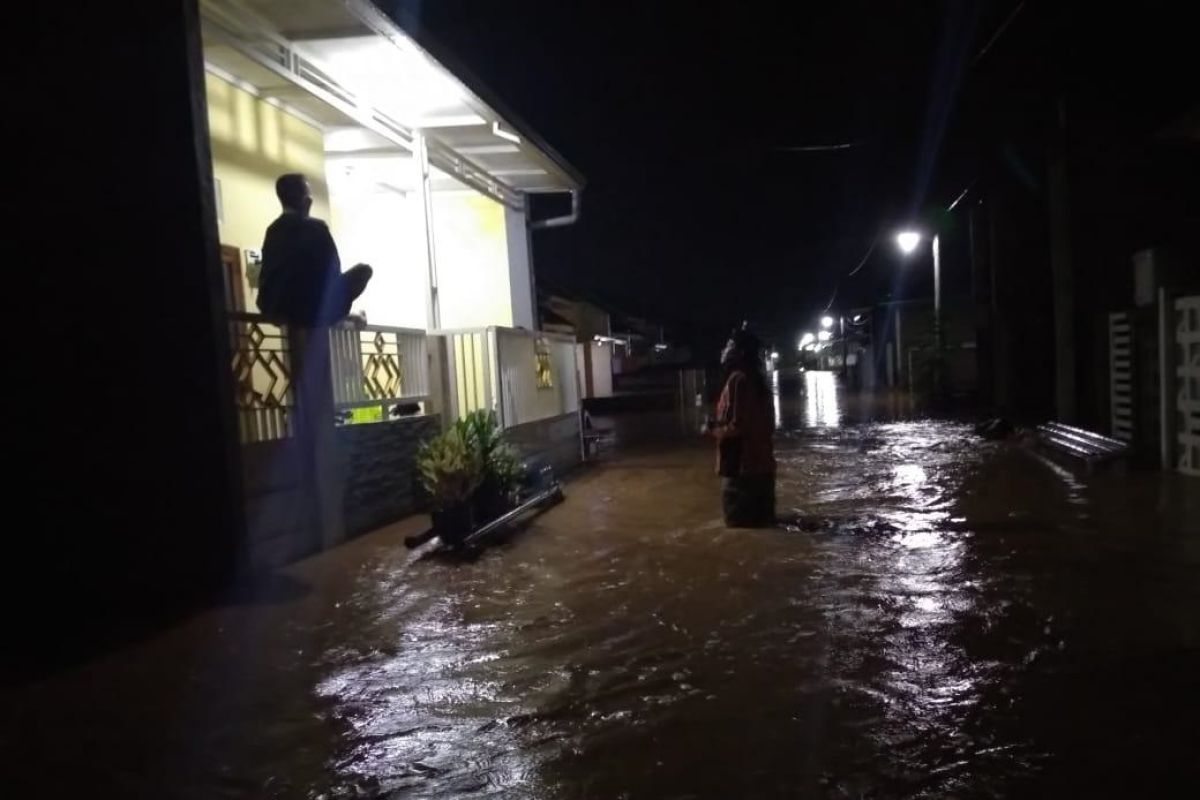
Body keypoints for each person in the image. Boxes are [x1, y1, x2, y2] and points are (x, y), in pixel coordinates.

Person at [257, 173, 372, 327]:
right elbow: (332, 271)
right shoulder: (316, 229)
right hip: (310, 309)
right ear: (307, 201)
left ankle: (343, 319)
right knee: (364, 270)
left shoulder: (273, 231)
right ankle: (347, 320)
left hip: (274, 308)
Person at [705, 326, 776, 527]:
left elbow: (738, 427)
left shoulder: (739, 380)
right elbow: (764, 425)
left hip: (742, 472)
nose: (723, 350)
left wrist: (713, 430)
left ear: (739, 352)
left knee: (738, 531)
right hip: (762, 468)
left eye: (728, 346)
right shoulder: (758, 380)